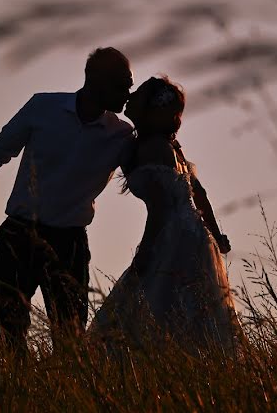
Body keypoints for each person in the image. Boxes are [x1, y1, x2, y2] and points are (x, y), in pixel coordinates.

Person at [0, 47, 135, 352]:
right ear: (93, 80)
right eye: (121, 86)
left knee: (70, 340)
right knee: (7, 335)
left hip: (69, 245)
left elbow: (154, 165)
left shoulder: (122, 135)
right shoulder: (43, 107)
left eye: (129, 86)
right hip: (20, 235)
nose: (127, 94)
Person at [90, 76, 241, 354]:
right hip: (192, 235)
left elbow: (161, 209)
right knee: (187, 312)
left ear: (152, 108)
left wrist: (145, 253)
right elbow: (200, 194)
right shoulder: (168, 146)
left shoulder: (153, 149)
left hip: (172, 236)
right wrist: (215, 234)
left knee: (154, 305)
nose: (131, 96)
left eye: (140, 94)